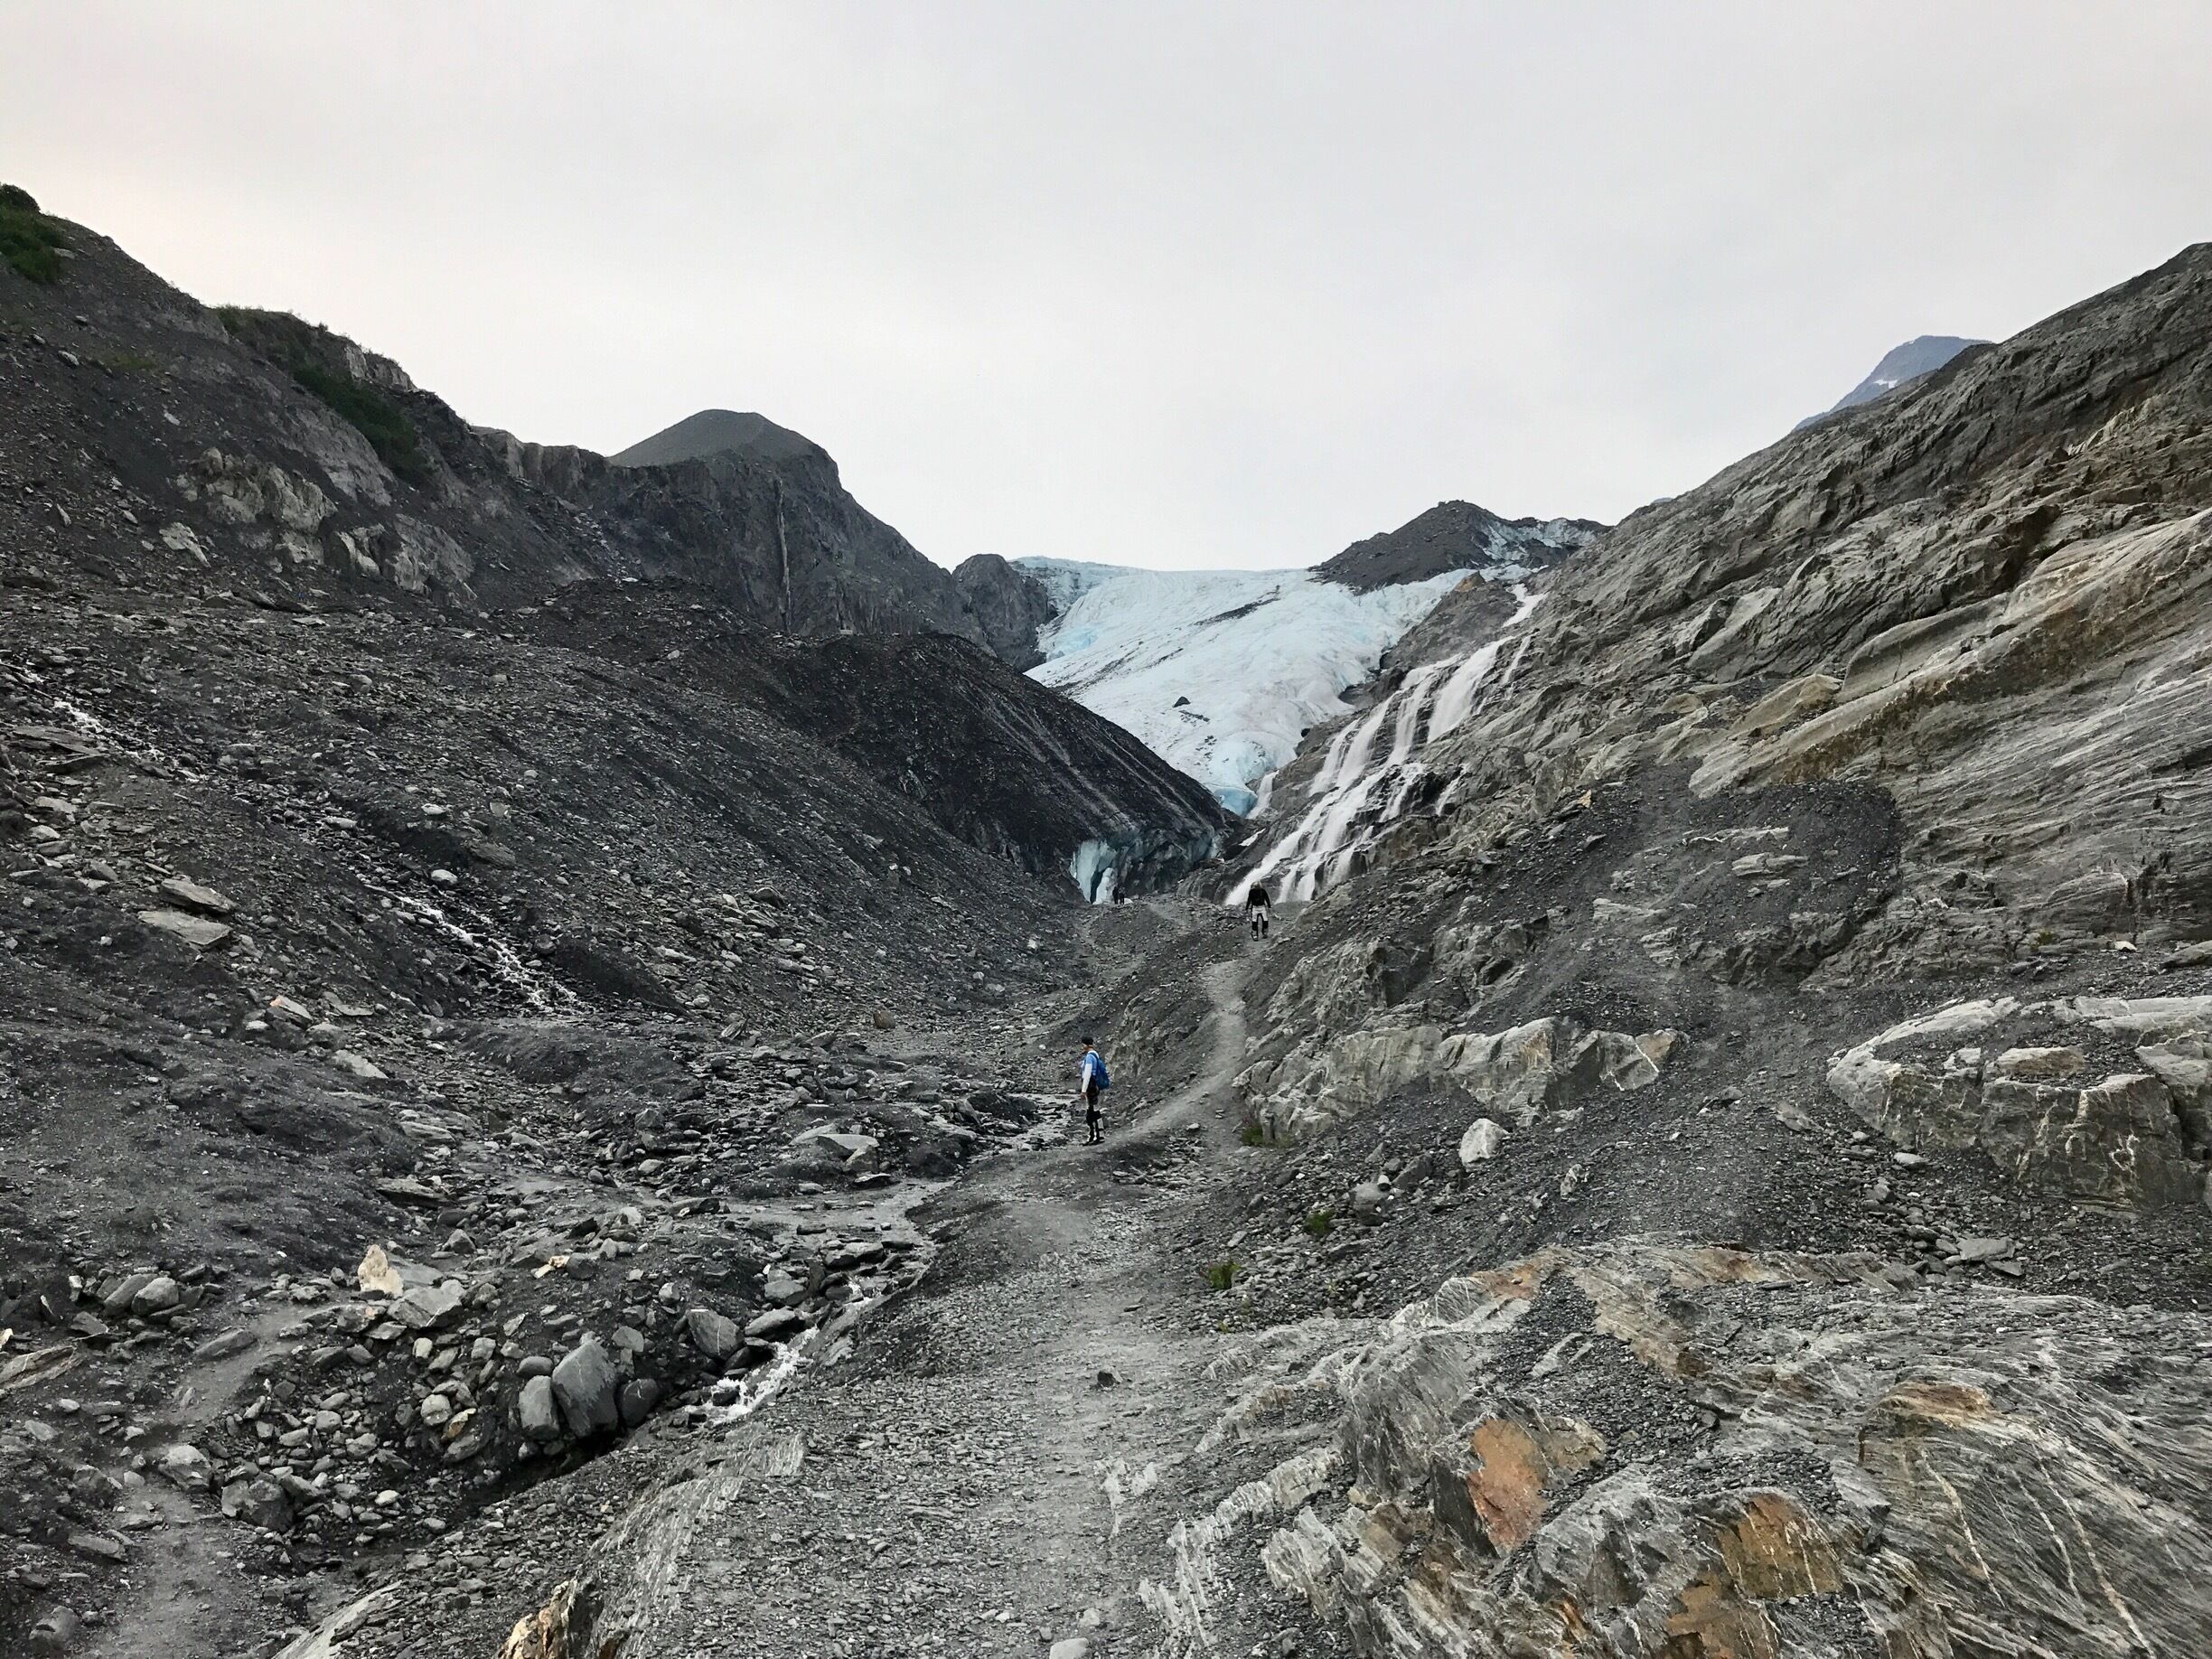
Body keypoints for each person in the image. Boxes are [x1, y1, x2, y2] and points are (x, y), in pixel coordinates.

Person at [1078, 1038, 1111, 1143]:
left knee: (1091, 1111)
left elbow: (1087, 1074)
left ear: (1087, 1045)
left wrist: (1083, 1090)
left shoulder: (1089, 1057)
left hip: (1090, 1086)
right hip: (1094, 1086)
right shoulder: (1095, 1056)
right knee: (1094, 1110)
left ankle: (1094, 1136)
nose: (1082, 1047)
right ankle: (1098, 1135)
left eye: (1083, 1045)